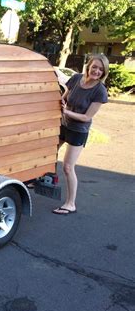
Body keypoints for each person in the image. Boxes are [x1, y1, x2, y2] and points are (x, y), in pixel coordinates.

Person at [53, 54, 109, 215]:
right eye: (95, 67)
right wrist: (62, 104)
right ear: (88, 66)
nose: (97, 71)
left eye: (101, 69)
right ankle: (43, 181)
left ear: (104, 72)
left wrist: (67, 112)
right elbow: (64, 98)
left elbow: (86, 117)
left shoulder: (100, 91)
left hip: (78, 130)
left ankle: (70, 204)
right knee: (48, 154)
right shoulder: (76, 78)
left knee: (68, 167)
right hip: (63, 124)